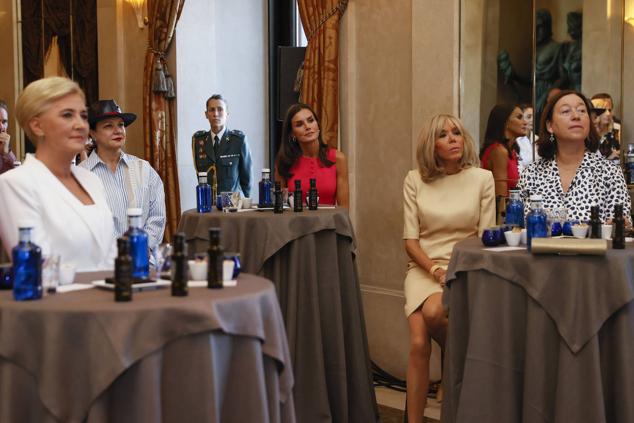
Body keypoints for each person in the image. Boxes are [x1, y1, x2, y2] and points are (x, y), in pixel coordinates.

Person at [403, 114, 495, 422]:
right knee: (418, 343)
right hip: (423, 268)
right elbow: (411, 242)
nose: (453, 138)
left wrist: (452, 270)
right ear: (432, 145)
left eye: (456, 132)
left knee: (432, 314)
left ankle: (454, 395)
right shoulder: (414, 179)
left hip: (464, 265)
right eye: (443, 135)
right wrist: (435, 271)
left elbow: (485, 236)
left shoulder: (482, 178)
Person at [0, 77, 116, 271]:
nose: (80, 125)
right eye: (67, 115)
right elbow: (39, 268)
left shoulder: (91, 180)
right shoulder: (14, 184)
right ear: (37, 126)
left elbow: (112, 253)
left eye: (84, 116)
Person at [518, 90, 631, 223]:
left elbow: (621, 229)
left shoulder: (610, 173)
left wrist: (620, 225)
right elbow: (517, 228)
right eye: (566, 111)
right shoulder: (531, 174)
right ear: (550, 125)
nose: (576, 116)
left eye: (582, 111)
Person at [79, 99, 166, 256]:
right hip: (102, 267)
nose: (118, 130)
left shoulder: (144, 169)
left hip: (143, 263)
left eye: (121, 125)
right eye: (108, 126)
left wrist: (141, 246)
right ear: (92, 133)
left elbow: (157, 217)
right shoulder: (81, 176)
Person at [275, 103, 349, 207]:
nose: (307, 127)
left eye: (311, 120)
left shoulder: (338, 159)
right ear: (292, 133)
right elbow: (279, 208)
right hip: (294, 222)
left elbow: (344, 211)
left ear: (318, 125)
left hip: (328, 222)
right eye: (299, 124)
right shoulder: (284, 162)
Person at [192, 94, 253, 197]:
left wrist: (244, 203)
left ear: (227, 113)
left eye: (220, 109)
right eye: (212, 110)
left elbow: (247, 179)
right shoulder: (198, 141)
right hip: (209, 206)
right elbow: (200, 177)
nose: (216, 114)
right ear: (206, 114)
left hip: (233, 206)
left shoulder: (238, 140)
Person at [480, 104, 526, 196]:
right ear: (506, 122)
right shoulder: (499, 151)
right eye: (519, 117)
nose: (525, 122)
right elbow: (501, 198)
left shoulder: (511, 151)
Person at [591, 93, 620, 161]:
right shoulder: (587, 132)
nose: (608, 114)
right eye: (603, 110)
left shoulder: (616, 128)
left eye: (609, 110)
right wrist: (606, 159)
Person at [516, 104, 540, 171]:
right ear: (521, 119)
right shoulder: (517, 140)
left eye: (533, 117)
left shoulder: (537, 138)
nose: (532, 120)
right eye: (529, 117)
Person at [0, 100, 17, 174]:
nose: (1, 126)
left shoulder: (3, 144)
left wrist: (5, 153)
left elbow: (16, 174)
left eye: (4, 122)